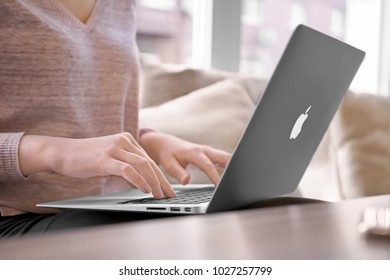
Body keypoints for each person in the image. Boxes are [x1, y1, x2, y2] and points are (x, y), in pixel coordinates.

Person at [0, 0, 231, 237]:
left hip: (111, 204)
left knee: (231, 213)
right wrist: (52, 152)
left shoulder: (120, 5)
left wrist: (148, 141)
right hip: (14, 217)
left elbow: (80, 115)